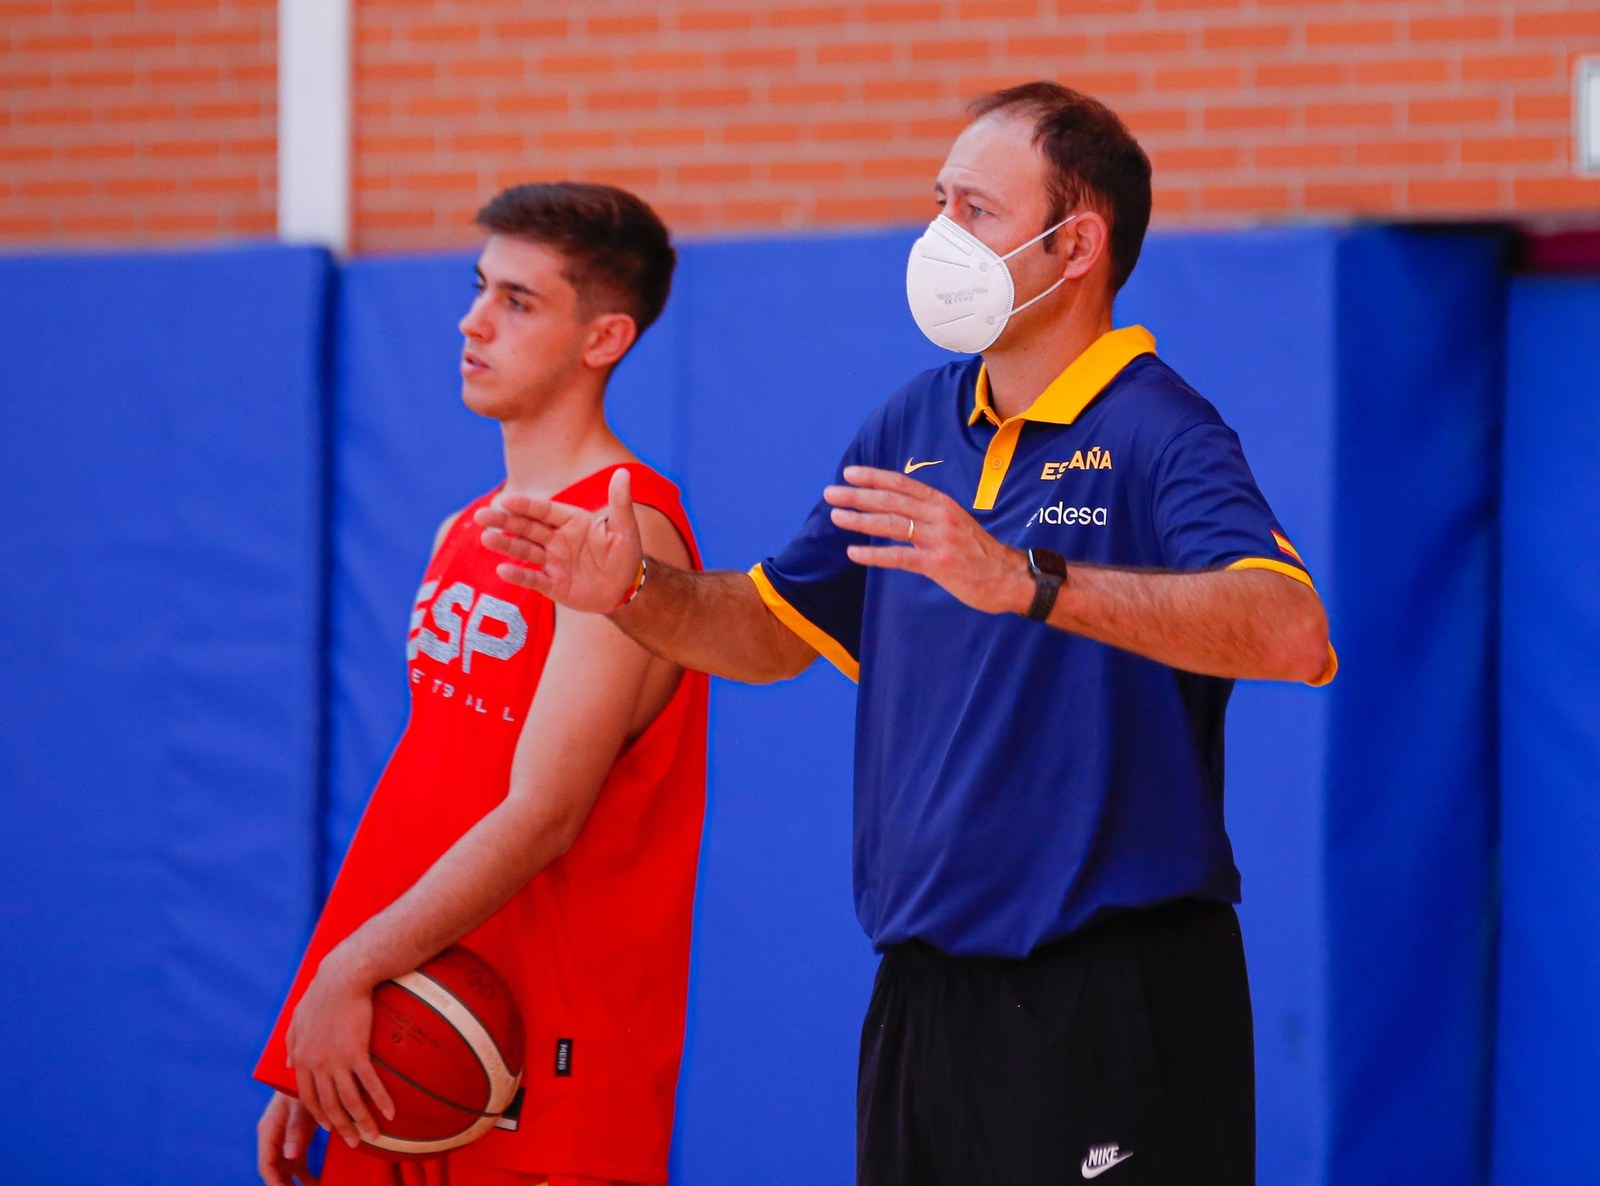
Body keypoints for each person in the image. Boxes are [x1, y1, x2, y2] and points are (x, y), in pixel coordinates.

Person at [478, 83, 1336, 1185]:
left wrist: (1025, 580)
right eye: (939, 203)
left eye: (976, 210)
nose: (940, 235)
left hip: (1112, 991)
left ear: (1075, 246)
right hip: (924, 993)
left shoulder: (1159, 429)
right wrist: (637, 590)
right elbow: (772, 628)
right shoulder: (912, 421)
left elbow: (1291, 630)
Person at [253, 183, 707, 1186]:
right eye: (478, 288)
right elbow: (419, 794)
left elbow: (545, 812)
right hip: (402, 1038)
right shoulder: (460, 530)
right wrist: (312, 1022)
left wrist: (348, 970)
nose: (473, 321)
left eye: (518, 300)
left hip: (541, 1064)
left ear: (604, 338)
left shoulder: (627, 540)